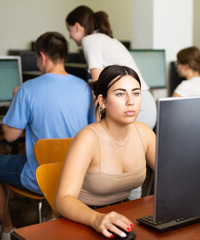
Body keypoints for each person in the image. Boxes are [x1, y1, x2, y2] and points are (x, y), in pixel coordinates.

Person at [0, 32, 95, 240]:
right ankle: (51, 216)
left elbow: (10, 136)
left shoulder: (27, 90)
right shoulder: (85, 88)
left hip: (40, 177)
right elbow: (93, 133)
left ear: (42, 56)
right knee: (56, 157)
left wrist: (15, 99)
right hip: (78, 177)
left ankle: (6, 230)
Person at [55, 65, 156, 239]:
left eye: (136, 93)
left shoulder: (145, 133)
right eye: (120, 94)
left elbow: (172, 177)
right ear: (102, 101)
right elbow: (63, 199)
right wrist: (96, 218)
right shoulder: (88, 138)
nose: (130, 101)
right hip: (85, 218)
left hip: (123, 214)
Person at [65, 5, 157, 130]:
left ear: (77, 26)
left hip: (134, 105)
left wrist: (98, 123)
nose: (70, 36)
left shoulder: (89, 40)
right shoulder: (106, 39)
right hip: (143, 102)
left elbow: (97, 86)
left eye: (69, 31)